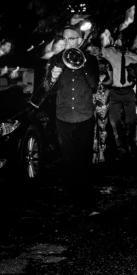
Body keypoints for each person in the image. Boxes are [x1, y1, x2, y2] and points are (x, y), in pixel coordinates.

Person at [39, 26, 100, 213]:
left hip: (84, 116)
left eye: (72, 39)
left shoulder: (90, 60)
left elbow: (93, 84)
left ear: (80, 41)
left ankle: (87, 202)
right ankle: (76, 200)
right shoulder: (56, 60)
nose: (67, 42)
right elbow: (48, 89)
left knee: (84, 161)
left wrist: (83, 65)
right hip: (63, 117)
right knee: (69, 161)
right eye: (64, 39)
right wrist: (54, 73)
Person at [101, 33, 137, 159]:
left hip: (129, 91)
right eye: (118, 40)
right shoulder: (109, 52)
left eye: (123, 40)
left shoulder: (133, 56)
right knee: (115, 120)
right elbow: (98, 49)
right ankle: (120, 148)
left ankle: (130, 144)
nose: (120, 42)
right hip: (114, 92)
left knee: (131, 120)